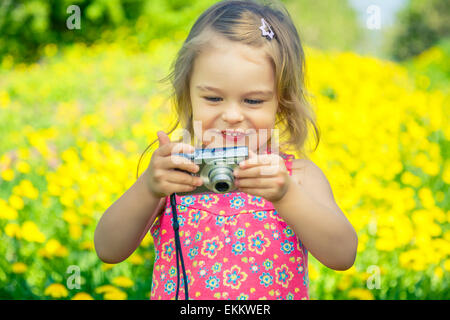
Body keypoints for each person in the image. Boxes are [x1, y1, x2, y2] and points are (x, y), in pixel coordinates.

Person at [94, 0, 358, 300]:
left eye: (253, 101)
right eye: (214, 99)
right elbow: (108, 249)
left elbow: (343, 254)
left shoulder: (297, 176)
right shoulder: (178, 173)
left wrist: (287, 196)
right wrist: (148, 189)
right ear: (188, 94)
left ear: (281, 103)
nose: (232, 115)